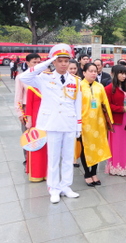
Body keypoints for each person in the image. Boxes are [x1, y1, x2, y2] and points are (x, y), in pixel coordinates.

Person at [19, 44, 81, 203]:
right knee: (53, 158)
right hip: (52, 123)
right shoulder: (44, 77)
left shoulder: (75, 80)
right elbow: (24, 77)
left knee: (68, 157)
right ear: (54, 62)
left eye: (66, 61)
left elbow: (77, 104)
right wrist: (45, 63)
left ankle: (66, 186)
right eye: (59, 61)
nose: (63, 64)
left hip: (68, 123)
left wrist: (78, 126)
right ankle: (53, 188)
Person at [79, 63, 113, 186]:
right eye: (90, 71)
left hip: (99, 123)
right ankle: (87, 173)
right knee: (86, 149)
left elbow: (106, 105)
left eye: (95, 71)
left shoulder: (100, 87)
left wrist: (109, 122)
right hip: (84, 124)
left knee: (98, 148)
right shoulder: (79, 87)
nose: (94, 73)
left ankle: (94, 173)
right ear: (84, 73)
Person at [104, 65, 126, 176]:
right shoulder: (109, 88)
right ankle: (118, 166)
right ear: (114, 74)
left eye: (125, 73)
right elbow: (107, 105)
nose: (124, 76)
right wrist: (122, 109)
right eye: (121, 73)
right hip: (117, 119)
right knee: (118, 143)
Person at [14, 53, 41, 163]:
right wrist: (20, 113)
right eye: (34, 62)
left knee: (41, 135)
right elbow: (18, 96)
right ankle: (28, 160)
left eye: (39, 62)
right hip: (27, 110)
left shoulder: (43, 76)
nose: (36, 65)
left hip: (41, 109)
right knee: (28, 135)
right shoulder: (21, 77)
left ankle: (40, 160)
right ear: (27, 63)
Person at [24, 74, 48, 182]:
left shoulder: (50, 87)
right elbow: (29, 105)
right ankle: (36, 174)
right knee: (37, 147)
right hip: (36, 120)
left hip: (48, 120)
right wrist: (29, 121)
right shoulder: (32, 88)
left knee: (48, 148)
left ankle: (47, 173)